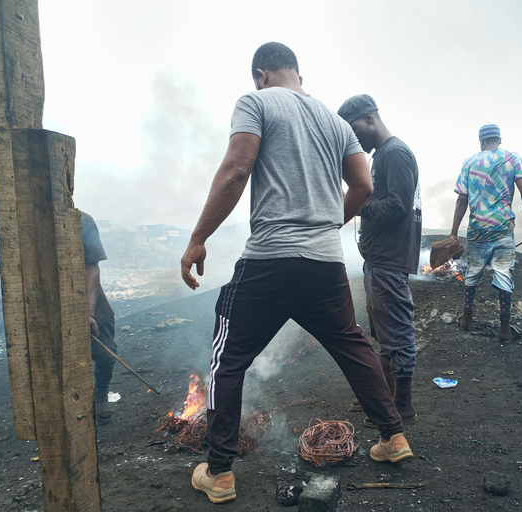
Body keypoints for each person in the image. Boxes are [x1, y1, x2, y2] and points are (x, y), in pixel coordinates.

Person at [181, 42, 413, 505]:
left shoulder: (255, 102)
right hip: (326, 264)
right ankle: (393, 438)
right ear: (298, 75)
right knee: (353, 345)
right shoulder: (332, 118)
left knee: (227, 360)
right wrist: (327, 226)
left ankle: (220, 471)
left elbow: (236, 169)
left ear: (262, 74)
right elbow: (364, 187)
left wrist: (198, 238)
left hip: (270, 259)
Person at [337, 95, 422, 427]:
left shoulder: (395, 153)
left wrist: (359, 203)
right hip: (380, 259)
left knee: (398, 335)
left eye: (354, 130)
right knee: (386, 336)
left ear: (370, 118)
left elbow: (398, 206)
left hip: (388, 260)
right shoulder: (383, 156)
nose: (353, 140)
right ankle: (387, 400)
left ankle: (402, 408)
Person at [450, 124, 522, 342]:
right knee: (503, 273)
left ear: (481, 141)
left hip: (477, 229)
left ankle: (467, 319)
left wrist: (453, 233)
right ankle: (505, 330)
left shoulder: (470, 162)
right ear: (499, 139)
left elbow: (462, 199)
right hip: (502, 228)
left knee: (473, 272)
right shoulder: (512, 158)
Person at [82, 211, 117, 424]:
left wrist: (89, 312)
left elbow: (91, 266)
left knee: (106, 354)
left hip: (89, 298)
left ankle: (101, 394)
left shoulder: (82, 221)